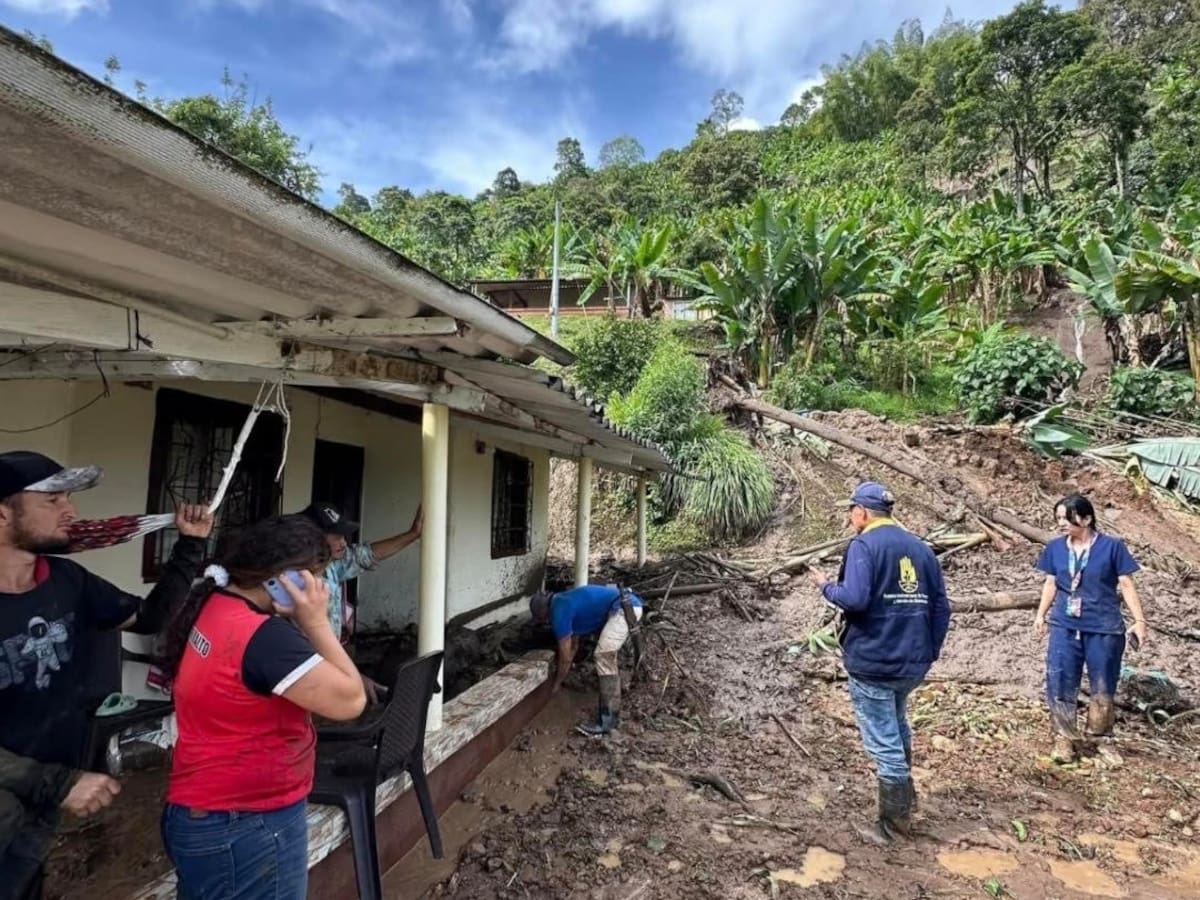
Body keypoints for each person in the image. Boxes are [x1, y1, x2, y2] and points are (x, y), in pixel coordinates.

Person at [0, 451, 212, 900]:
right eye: (53, 499)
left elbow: (151, 618)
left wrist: (190, 546)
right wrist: (59, 782)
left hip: (44, 800)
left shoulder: (67, 581)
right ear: (2, 513)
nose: (71, 511)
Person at [159, 515, 367, 900]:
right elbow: (351, 700)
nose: (321, 587)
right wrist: (317, 622)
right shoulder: (265, 640)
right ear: (282, 579)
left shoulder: (217, 603)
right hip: (247, 826)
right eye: (316, 576)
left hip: (207, 812)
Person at [808, 482, 951, 845]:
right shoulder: (920, 548)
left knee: (884, 739)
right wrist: (929, 651)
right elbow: (940, 607)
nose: (849, 517)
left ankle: (894, 825)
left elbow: (854, 599)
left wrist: (826, 586)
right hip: (912, 661)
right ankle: (907, 797)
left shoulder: (864, 546)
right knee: (898, 725)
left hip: (874, 659)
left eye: (850, 510)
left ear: (862, 512)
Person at [1033, 494, 1146, 763]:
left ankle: (1100, 737)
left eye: (1067, 517)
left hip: (1103, 627)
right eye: (1058, 518)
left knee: (1103, 682)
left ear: (1086, 519)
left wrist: (1140, 620)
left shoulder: (1112, 547)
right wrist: (1041, 615)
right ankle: (1065, 738)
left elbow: (1127, 584)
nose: (1061, 523)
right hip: (1064, 624)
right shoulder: (1055, 548)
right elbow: (1051, 583)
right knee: (1060, 679)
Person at [529, 583, 645, 736]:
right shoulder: (562, 600)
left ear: (544, 614)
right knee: (605, 653)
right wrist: (568, 662)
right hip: (626, 603)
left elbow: (564, 658)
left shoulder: (558, 612)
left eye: (541, 620)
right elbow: (573, 645)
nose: (544, 623)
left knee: (604, 655)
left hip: (624, 609)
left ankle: (608, 721)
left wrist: (556, 683)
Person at [298, 501, 423, 641]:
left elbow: (365, 555)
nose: (343, 543)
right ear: (313, 538)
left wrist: (413, 534)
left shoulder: (330, 565)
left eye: (343, 536)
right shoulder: (295, 579)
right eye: (336, 537)